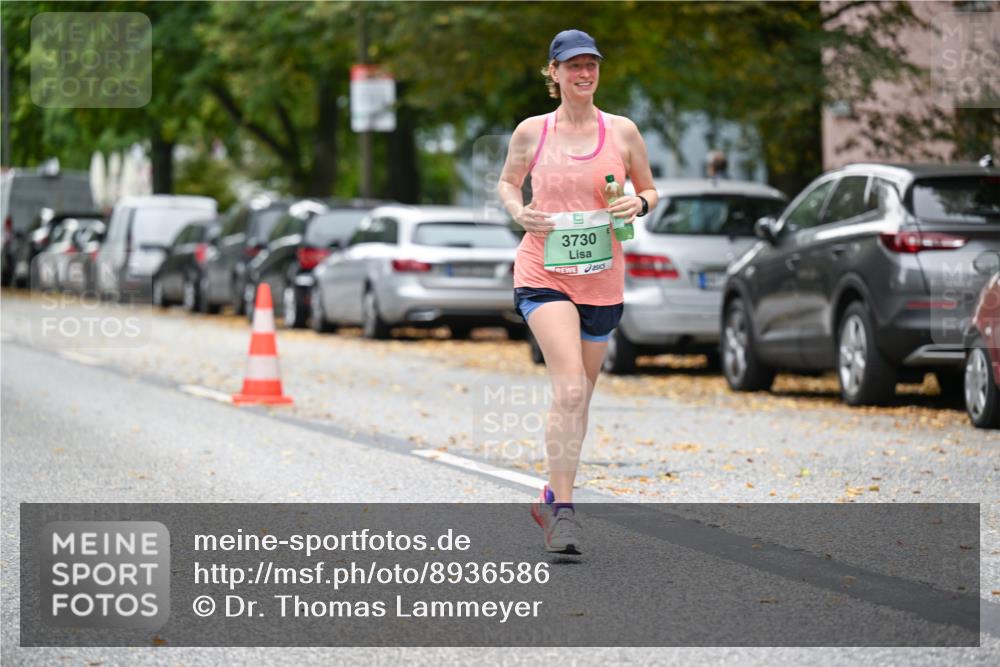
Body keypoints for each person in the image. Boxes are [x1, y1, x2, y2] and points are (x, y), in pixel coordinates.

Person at [497, 29, 658, 554]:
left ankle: (550, 493)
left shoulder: (623, 132)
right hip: (543, 273)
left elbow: (650, 188)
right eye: (572, 66)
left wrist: (640, 204)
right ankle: (563, 512)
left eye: (591, 65)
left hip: (602, 278)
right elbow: (507, 182)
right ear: (554, 72)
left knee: (580, 397)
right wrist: (520, 211)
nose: (584, 73)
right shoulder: (532, 132)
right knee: (568, 391)